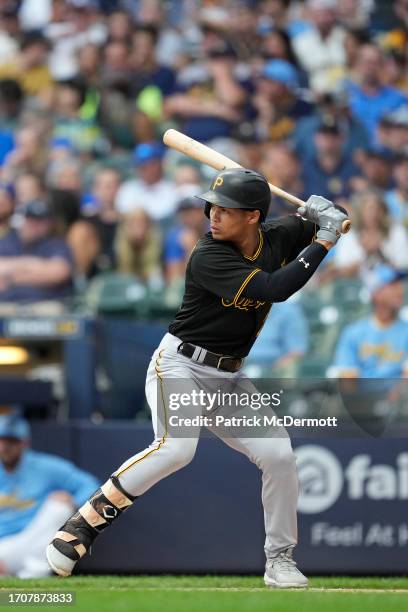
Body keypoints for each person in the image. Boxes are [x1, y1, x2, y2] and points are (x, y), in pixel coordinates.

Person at [46, 167, 348, 587]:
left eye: (226, 209)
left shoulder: (277, 234)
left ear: (253, 217)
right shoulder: (209, 253)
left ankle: (280, 559)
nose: (213, 215)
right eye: (213, 206)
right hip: (181, 365)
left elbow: (337, 217)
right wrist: (323, 240)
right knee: (177, 449)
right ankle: (83, 524)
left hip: (230, 378)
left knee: (280, 457)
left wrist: (322, 213)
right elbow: (276, 287)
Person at [0, 411, 99, 578]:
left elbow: (91, 485)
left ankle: (33, 569)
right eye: (2, 440)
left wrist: (74, 501)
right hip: (4, 544)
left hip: (33, 540)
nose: (5, 447)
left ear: (25, 443)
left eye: (12, 441)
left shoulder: (44, 466)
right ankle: (22, 571)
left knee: (59, 506)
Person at [332, 265, 408, 378]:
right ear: (375, 293)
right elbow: (348, 381)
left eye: (399, 284)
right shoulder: (354, 332)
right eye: (392, 284)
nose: (400, 289)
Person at [0, 200, 74, 303]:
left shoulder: (56, 244)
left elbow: (58, 273)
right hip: (7, 306)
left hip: (46, 307)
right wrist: (33, 264)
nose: (33, 225)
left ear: (49, 223)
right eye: (30, 220)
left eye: (39, 221)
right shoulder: (10, 241)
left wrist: (11, 279)